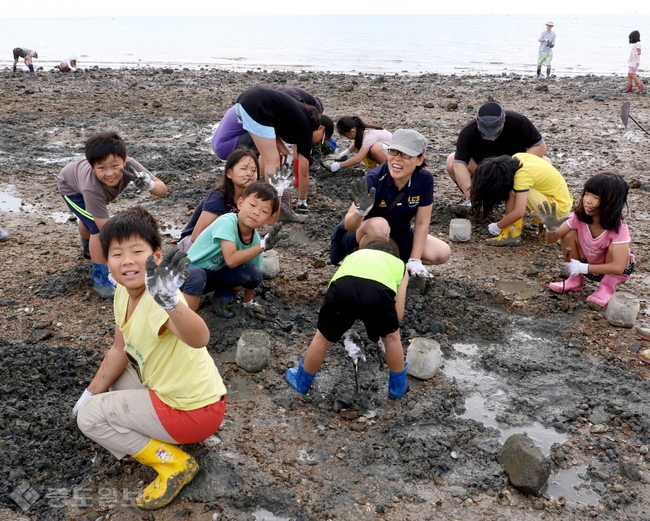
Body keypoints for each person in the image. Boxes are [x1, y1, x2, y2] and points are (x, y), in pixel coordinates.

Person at [73, 207, 227, 511]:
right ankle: (156, 431)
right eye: (117, 254)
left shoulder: (162, 299)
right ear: (106, 261)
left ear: (156, 257)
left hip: (196, 412)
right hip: (175, 395)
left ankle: (175, 463)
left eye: (137, 251)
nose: (127, 260)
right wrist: (89, 393)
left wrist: (171, 302)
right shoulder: (122, 293)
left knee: (90, 418)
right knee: (107, 385)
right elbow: (119, 350)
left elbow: (199, 339)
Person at [286, 238, 409, 398]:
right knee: (392, 339)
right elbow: (398, 313)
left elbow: (337, 284)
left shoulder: (353, 256)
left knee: (322, 338)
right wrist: (388, 328)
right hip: (378, 294)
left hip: (342, 290)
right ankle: (397, 387)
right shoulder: (400, 265)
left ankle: (302, 382)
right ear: (395, 255)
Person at [57, 131, 168, 298]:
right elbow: (104, 228)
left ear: (125, 160)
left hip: (93, 191)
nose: (109, 173)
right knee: (97, 229)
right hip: (72, 189)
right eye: (101, 168)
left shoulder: (131, 165)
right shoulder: (91, 187)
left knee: (90, 219)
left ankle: (88, 249)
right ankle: (101, 279)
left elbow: (162, 190)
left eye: (115, 166)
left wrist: (150, 184)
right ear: (92, 166)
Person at [330, 129, 451, 278]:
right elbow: (349, 226)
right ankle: (368, 270)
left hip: (399, 235)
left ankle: (398, 263)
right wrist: (360, 212)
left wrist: (415, 259)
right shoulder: (373, 179)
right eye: (393, 152)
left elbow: (422, 223)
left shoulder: (424, 179)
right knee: (379, 225)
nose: (397, 159)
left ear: (419, 160)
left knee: (442, 252)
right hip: (363, 236)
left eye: (406, 155)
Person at [211, 86, 333, 217]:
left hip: (244, 100)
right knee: (273, 160)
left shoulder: (297, 117)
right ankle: (275, 207)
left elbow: (273, 135)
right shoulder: (305, 128)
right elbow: (303, 171)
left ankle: (263, 183)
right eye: (321, 140)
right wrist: (302, 201)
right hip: (256, 106)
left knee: (268, 154)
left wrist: (287, 155)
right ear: (321, 128)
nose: (317, 144)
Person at [181, 181, 281, 318]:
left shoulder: (256, 240)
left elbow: (254, 273)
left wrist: (248, 302)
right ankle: (186, 318)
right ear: (240, 203)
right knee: (197, 276)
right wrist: (262, 247)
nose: (256, 212)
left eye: (263, 211)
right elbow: (231, 260)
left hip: (215, 276)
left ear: (267, 219)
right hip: (189, 272)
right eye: (252, 205)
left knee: (254, 275)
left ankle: (221, 295)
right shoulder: (227, 221)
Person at [538, 173, 635, 307]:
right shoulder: (579, 217)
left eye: (596, 198)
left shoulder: (619, 228)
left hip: (612, 272)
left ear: (613, 202)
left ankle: (607, 287)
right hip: (585, 266)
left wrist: (581, 267)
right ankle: (575, 280)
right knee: (568, 233)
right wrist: (550, 228)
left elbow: (618, 268)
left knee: (615, 248)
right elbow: (551, 239)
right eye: (586, 194)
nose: (587, 201)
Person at [445, 102, 547, 204]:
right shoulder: (468, 132)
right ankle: (478, 198)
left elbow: (540, 146)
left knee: (546, 162)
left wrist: (513, 168)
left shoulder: (518, 121)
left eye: (495, 129)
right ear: (477, 122)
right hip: (483, 169)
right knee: (451, 161)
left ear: (504, 120)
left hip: (513, 166)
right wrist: (471, 197)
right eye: (485, 130)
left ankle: (525, 199)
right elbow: (459, 164)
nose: (490, 133)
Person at [470, 153, 573, 247]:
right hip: (557, 199)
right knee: (513, 188)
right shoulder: (516, 159)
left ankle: (512, 233)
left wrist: (498, 226)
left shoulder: (521, 176)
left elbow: (519, 212)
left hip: (557, 208)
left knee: (514, 188)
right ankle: (542, 226)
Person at [178, 148, 261, 252]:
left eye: (254, 170)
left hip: (222, 243)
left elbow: (270, 220)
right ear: (229, 173)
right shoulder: (218, 198)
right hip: (191, 246)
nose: (249, 173)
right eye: (244, 168)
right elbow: (196, 236)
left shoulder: (250, 200)